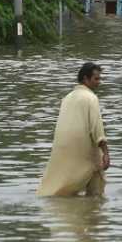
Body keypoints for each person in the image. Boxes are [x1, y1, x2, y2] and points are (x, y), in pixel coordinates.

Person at [38, 63, 110, 197]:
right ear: (85, 79)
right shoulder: (91, 98)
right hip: (83, 149)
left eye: (99, 79)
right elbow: (97, 129)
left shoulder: (67, 98)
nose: (99, 82)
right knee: (96, 188)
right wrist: (105, 152)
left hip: (64, 148)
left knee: (65, 185)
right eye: (96, 79)